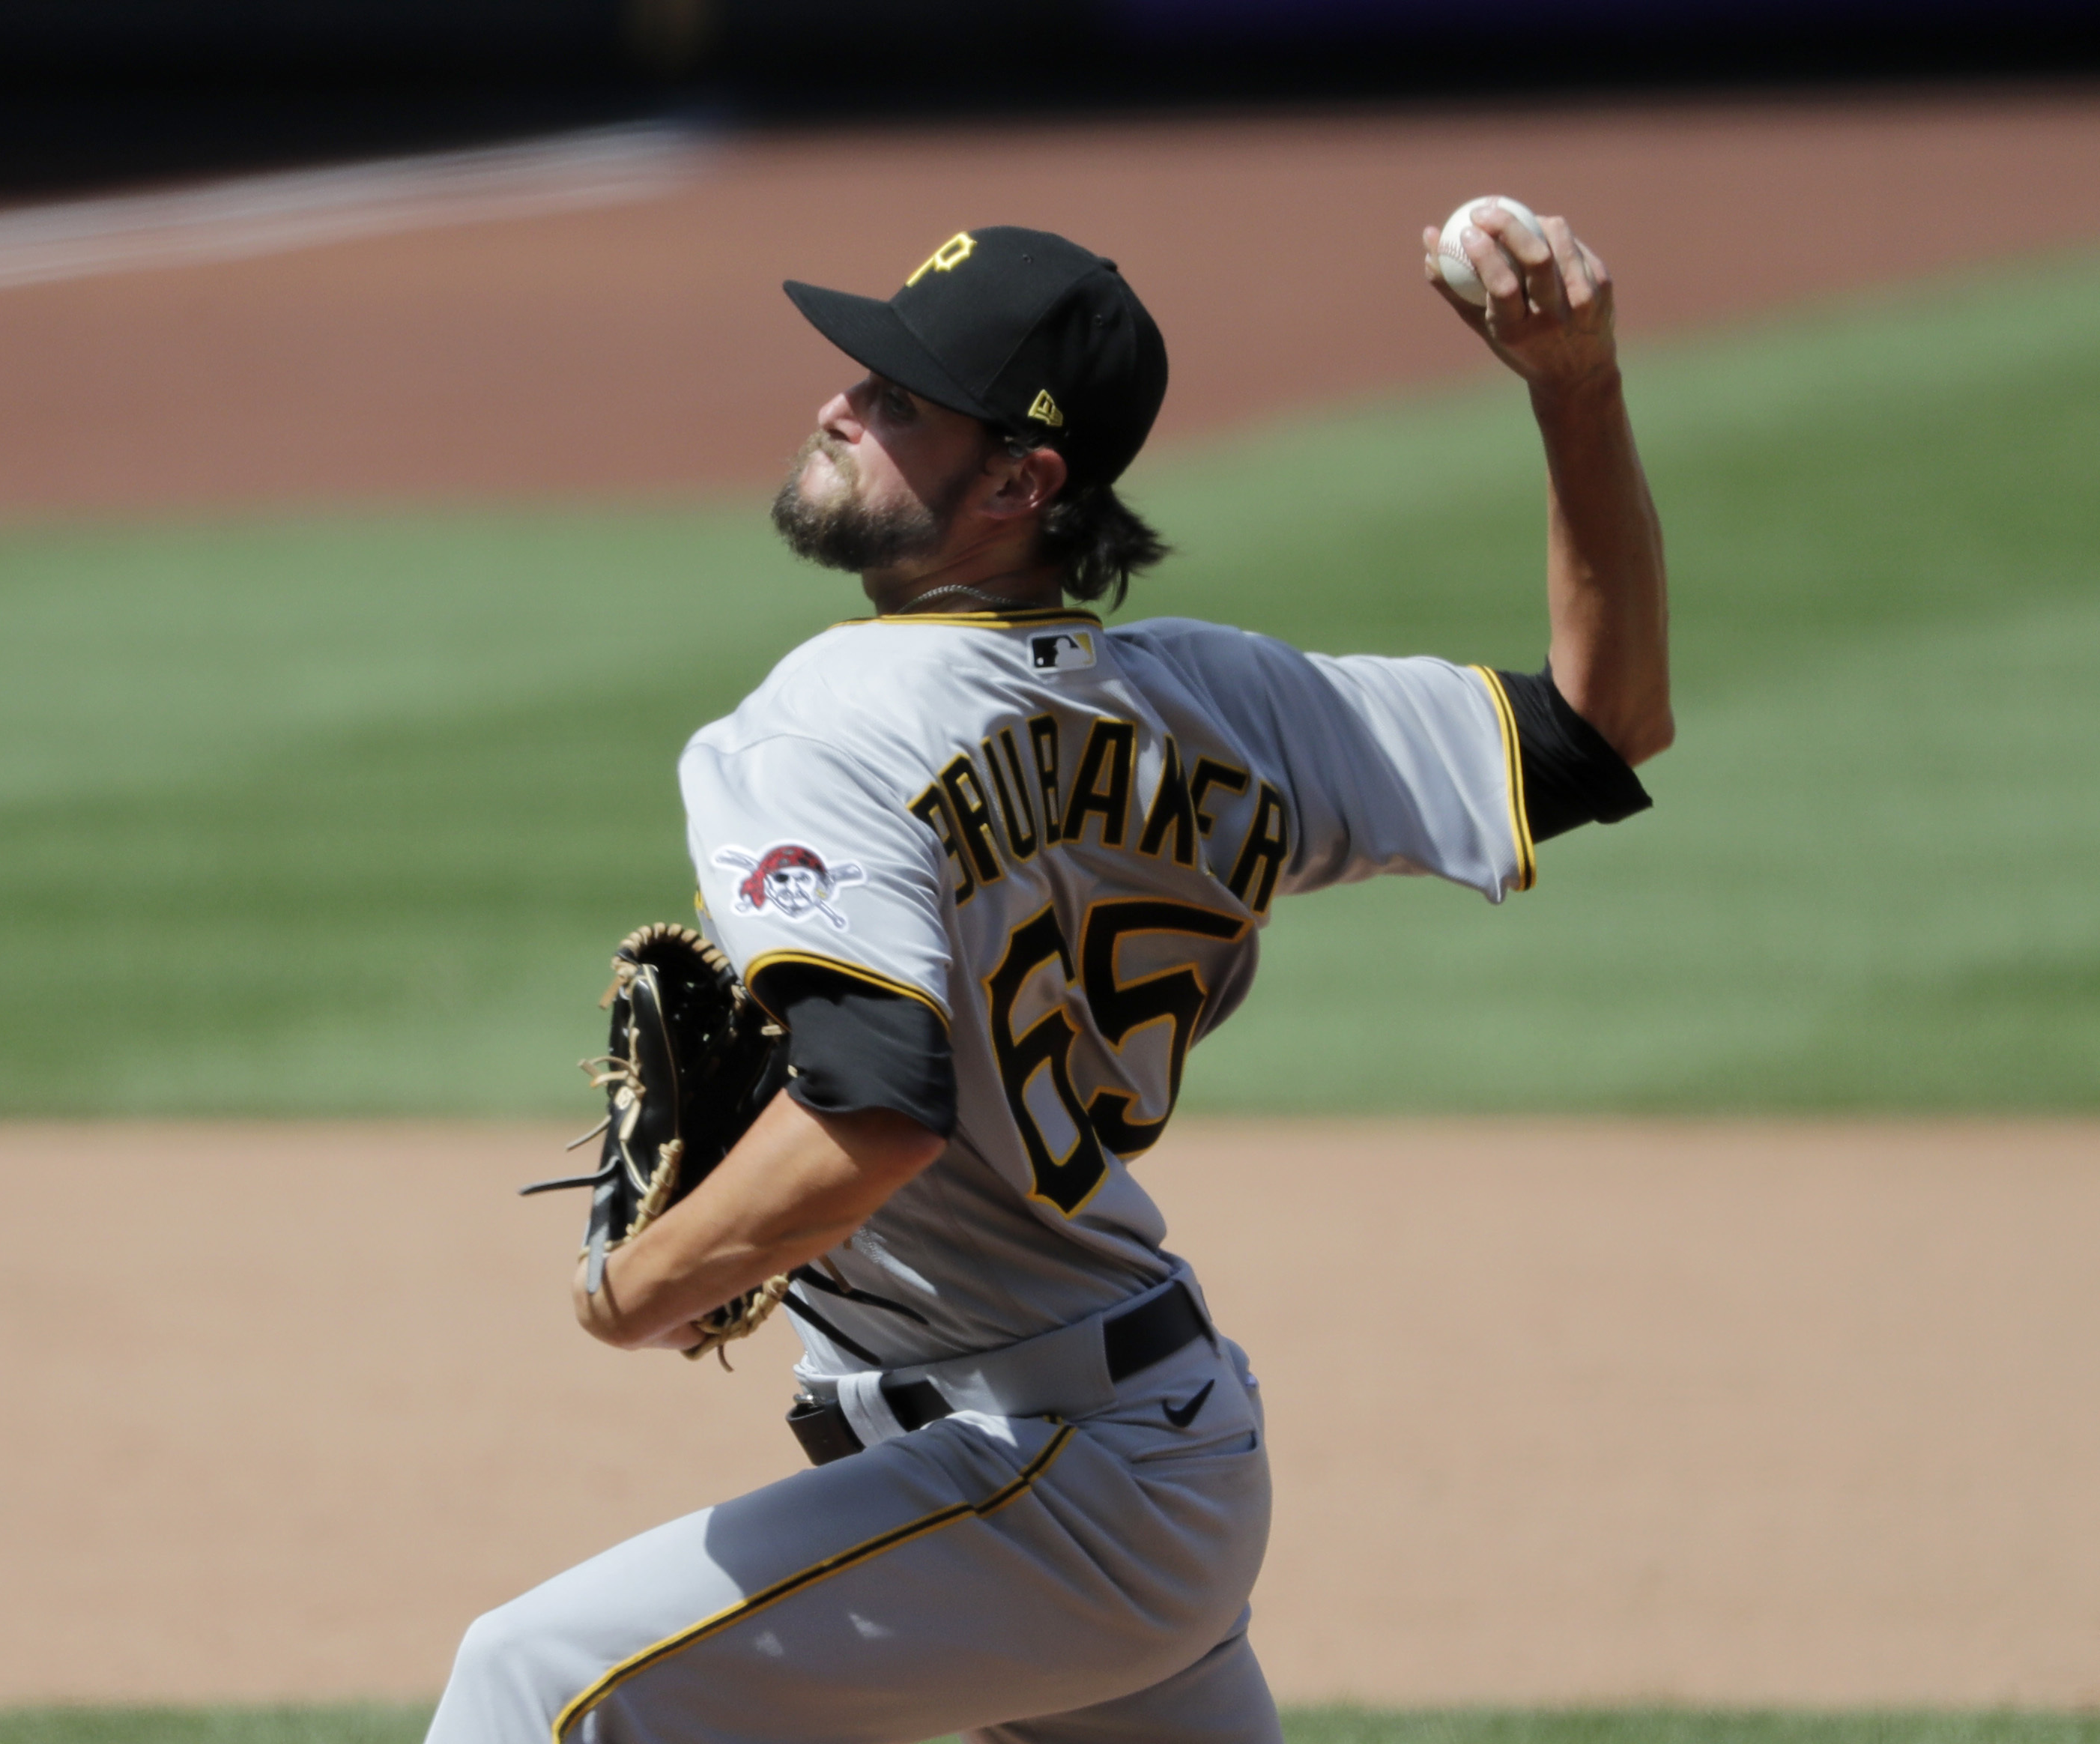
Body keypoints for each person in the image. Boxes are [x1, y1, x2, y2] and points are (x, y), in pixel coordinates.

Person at [426, 209, 1669, 1743]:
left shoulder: (823, 723)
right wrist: (1577, 391)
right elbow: (1602, 724)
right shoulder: (1223, 702)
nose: (840, 402)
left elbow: (878, 1113)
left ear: (1021, 484)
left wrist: (636, 1292)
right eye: (862, 374)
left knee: (531, 1686)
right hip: (1156, 1454)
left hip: (1045, 1477)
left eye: (900, 402)